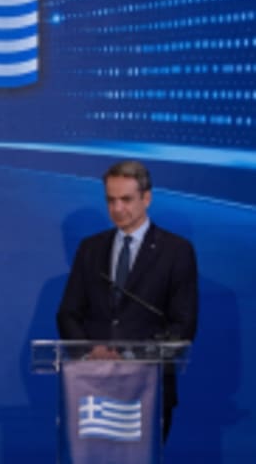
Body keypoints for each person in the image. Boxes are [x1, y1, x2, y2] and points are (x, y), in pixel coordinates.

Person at [57, 160, 198, 440]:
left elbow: (183, 325)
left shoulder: (176, 251)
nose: (117, 208)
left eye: (126, 199)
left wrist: (131, 355)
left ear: (147, 198)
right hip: (92, 388)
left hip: (148, 387)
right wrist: (90, 351)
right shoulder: (90, 249)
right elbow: (68, 313)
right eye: (111, 200)